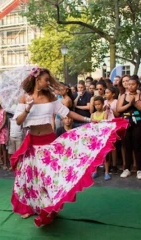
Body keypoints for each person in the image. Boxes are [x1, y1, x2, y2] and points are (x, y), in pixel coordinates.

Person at [10, 66, 128, 227]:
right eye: (46, 80)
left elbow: (68, 113)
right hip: (32, 144)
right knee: (31, 178)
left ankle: (50, 208)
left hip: (49, 142)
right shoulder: (25, 98)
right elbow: (18, 120)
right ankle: (29, 207)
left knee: (50, 178)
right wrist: (28, 108)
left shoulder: (50, 96)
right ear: (37, 80)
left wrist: (89, 121)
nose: (48, 83)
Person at [117, 76, 141, 180]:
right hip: (126, 123)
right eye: (129, 84)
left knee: (137, 146)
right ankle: (127, 169)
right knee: (127, 147)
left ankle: (139, 169)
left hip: (138, 123)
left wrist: (135, 104)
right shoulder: (123, 96)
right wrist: (130, 104)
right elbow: (118, 109)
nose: (130, 86)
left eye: (133, 84)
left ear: (137, 85)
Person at [90, 96, 108, 179]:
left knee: (105, 155)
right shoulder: (92, 114)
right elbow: (91, 125)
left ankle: (106, 172)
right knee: (95, 155)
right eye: (95, 105)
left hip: (103, 137)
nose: (97, 106)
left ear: (102, 104)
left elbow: (105, 123)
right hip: (95, 137)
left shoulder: (105, 113)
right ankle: (95, 171)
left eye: (99, 104)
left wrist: (99, 122)